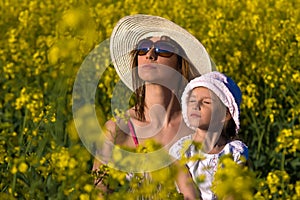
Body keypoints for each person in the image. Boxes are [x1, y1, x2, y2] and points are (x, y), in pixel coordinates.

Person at [92, 14, 215, 199]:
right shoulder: (117, 130)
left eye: (163, 48)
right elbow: (98, 194)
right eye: (142, 48)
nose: (150, 54)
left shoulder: (200, 127)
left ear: (181, 63)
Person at [169, 71, 249, 200]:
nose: (196, 106)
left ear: (225, 115)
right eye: (192, 101)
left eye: (206, 102)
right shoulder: (181, 150)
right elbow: (189, 195)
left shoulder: (235, 152)